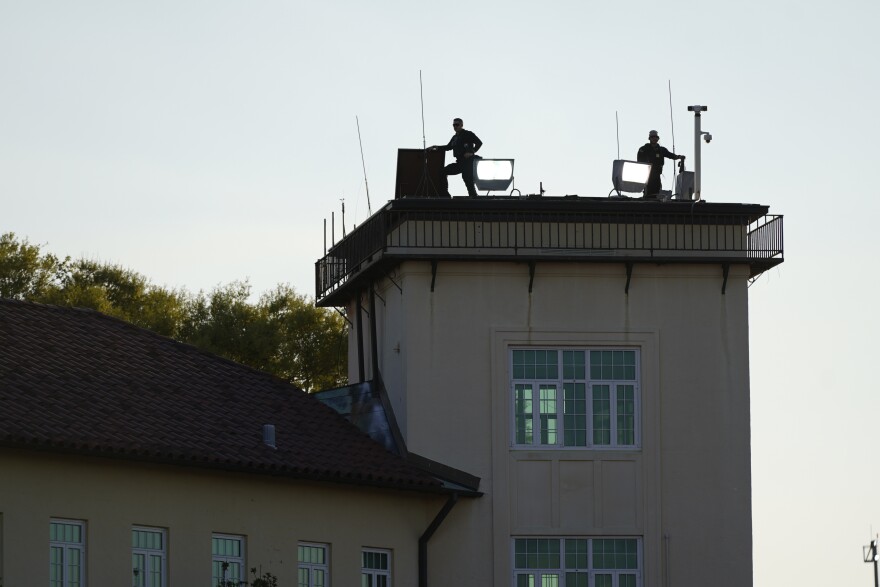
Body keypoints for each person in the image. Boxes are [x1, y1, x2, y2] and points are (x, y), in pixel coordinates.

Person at [429, 118, 482, 198]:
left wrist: (471, 152)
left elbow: (479, 143)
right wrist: (436, 147)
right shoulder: (455, 138)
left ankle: (474, 198)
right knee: (443, 172)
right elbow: (448, 147)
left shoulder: (468, 134)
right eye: (454, 125)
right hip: (459, 162)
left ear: (461, 125)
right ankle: (445, 195)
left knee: (467, 180)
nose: (455, 126)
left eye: (457, 125)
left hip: (468, 162)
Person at [636, 130, 684, 198]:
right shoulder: (644, 149)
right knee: (648, 192)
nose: (654, 138)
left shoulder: (661, 150)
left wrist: (679, 157)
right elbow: (639, 161)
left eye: (656, 137)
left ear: (658, 138)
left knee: (657, 191)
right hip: (647, 175)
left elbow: (670, 155)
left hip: (657, 174)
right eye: (652, 137)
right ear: (649, 138)